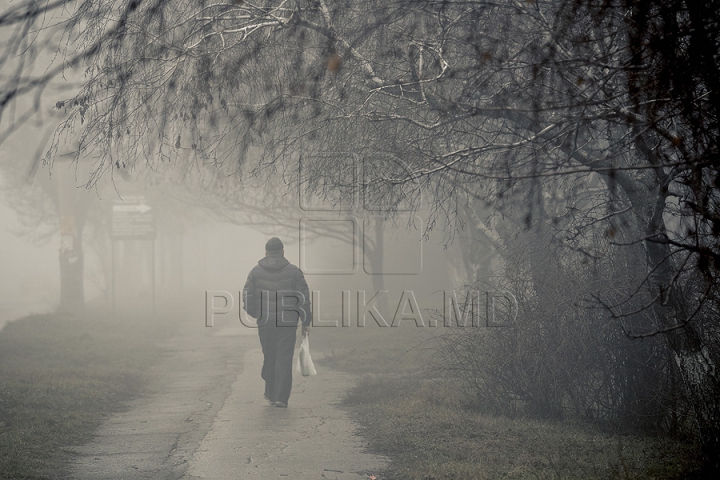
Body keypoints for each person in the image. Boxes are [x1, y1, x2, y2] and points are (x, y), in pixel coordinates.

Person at [242, 237, 311, 408]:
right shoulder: (294, 272)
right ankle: (280, 397)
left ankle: (271, 393)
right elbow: (304, 298)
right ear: (282, 252)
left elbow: (247, 296)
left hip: (265, 323)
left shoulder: (255, 272)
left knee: (270, 356)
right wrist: (306, 320)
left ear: (265, 253)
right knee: (284, 359)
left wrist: (257, 314)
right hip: (287, 324)